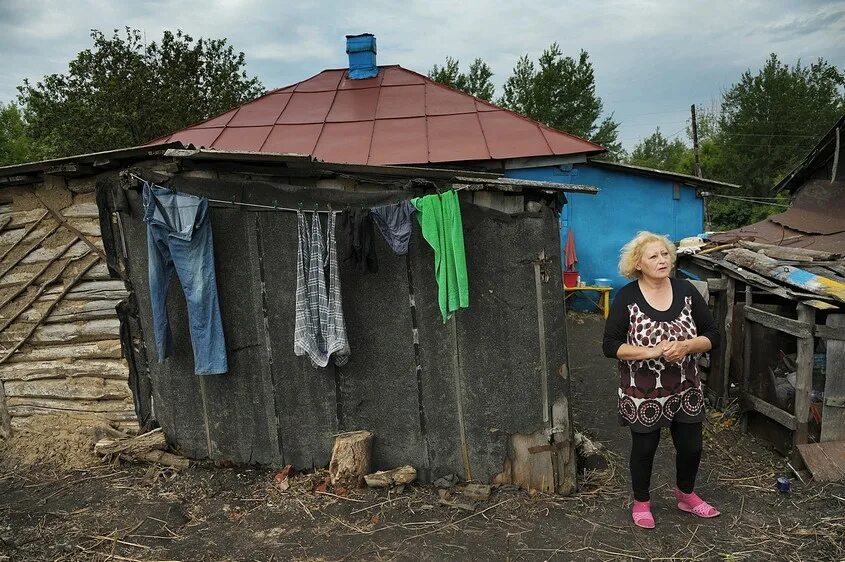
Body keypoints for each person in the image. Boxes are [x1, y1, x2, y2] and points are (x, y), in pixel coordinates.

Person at [602, 231, 720, 529]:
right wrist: (650, 352)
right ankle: (641, 501)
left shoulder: (686, 291)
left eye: (665, 254)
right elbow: (610, 345)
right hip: (643, 392)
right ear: (638, 264)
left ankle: (686, 494)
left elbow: (713, 335)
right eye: (653, 256)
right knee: (645, 448)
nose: (662, 260)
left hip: (685, 387)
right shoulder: (627, 296)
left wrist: (687, 346)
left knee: (692, 447)